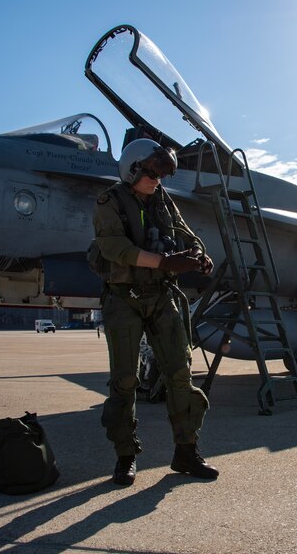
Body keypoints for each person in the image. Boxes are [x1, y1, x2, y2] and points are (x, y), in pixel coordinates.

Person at [93, 137, 218, 486]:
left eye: (160, 175)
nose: (156, 181)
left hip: (162, 295)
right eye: (150, 173)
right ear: (133, 169)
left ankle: (186, 451)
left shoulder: (162, 199)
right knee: (125, 380)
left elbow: (185, 233)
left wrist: (197, 254)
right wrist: (165, 261)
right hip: (124, 297)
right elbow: (114, 247)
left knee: (180, 374)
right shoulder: (109, 201)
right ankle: (125, 456)